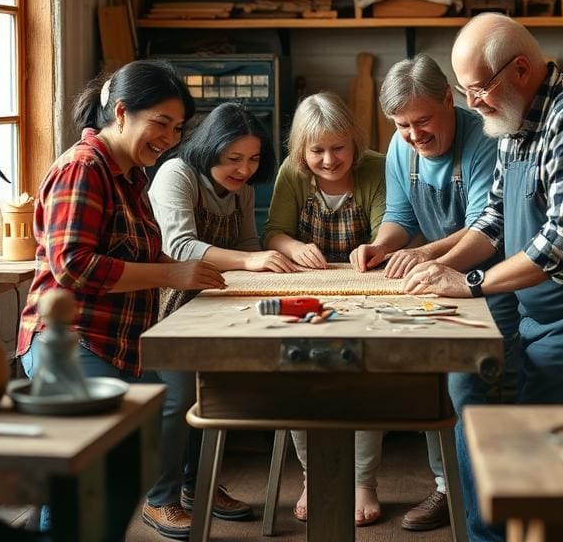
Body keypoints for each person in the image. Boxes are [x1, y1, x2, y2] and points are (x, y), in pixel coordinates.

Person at [402, 13, 563, 542]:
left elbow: (562, 244)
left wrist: (468, 284)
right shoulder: (516, 119)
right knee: (520, 452)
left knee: (548, 471)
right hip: (546, 314)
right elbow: (492, 221)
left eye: (477, 90)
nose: (473, 105)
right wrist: (439, 265)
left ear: (519, 70)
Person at [16, 59, 227, 541]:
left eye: (177, 128)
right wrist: (173, 271)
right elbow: (74, 265)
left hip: (115, 342)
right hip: (70, 342)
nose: (170, 137)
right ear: (121, 112)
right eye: (160, 123)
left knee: (127, 465)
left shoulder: (129, 175)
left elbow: (137, 259)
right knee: (86, 479)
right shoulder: (83, 168)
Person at [348, 53, 508, 533]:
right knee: (416, 373)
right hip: (438, 285)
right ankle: (452, 490)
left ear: (447, 98)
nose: (413, 135)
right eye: (401, 126)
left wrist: (428, 259)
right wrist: (380, 246)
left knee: (464, 385)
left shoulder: (484, 139)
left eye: (422, 121)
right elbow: (402, 218)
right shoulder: (402, 150)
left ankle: (475, 509)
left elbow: (486, 227)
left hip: (491, 284)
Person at [147, 101, 298, 528]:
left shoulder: (243, 191)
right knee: (178, 401)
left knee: (211, 397)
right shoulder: (176, 175)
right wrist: (251, 263)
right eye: (233, 159)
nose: (244, 170)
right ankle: (160, 497)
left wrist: (275, 266)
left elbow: (251, 244)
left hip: (218, 305)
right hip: (168, 307)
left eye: (252, 160)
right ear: (209, 148)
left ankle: (201, 486)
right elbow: (179, 248)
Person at [263, 91, 387, 526]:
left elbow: (389, 229)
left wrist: (372, 249)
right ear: (301, 151)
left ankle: (363, 482)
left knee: (363, 377)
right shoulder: (292, 173)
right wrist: (296, 246)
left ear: (355, 142)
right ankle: (313, 474)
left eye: (339, 148)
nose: (330, 160)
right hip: (308, 290)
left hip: (368, 286)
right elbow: (274, 232)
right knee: (298, 373)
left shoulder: (375, 167)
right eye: (317, 151)